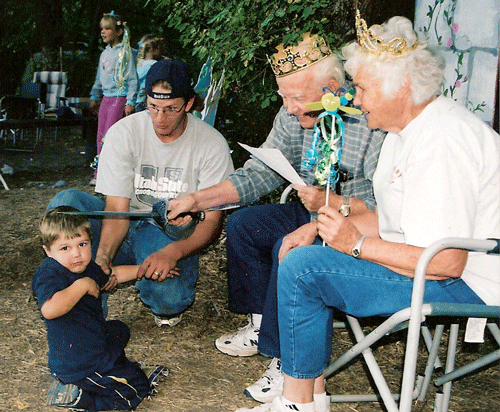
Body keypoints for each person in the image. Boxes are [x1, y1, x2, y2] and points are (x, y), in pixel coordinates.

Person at [233, 11, 500, 412]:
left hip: (468, 284)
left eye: (363, 88)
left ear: (402, 87)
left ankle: (298, 403)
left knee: (304, 271)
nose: (354, 99)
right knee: (303, 256)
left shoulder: (443, 140)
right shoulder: (401, 132)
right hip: (427, 264)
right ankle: (306, 398)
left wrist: (354, 244)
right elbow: (391, 220)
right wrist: (317, 230)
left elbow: (446, 261)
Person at [167, 33, 386, 407]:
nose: (285, 108)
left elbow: (386, 206)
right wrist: (198, 199)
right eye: (282, 96)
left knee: (293, 249)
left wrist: (333, 203)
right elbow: (259, 174)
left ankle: (286, 358)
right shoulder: (291, 116)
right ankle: (260, 325)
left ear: (331, 88)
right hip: (312, 209)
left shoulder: (372, 121)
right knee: (244, 225)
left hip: (355, 221)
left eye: (295, 97)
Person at [47, 58, 234, 328]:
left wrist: (174, 252)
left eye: (171, 109)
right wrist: (103, 257)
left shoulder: (212, 144)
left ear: (189, 104)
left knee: (169, 300)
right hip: (124, 220)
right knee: (64, 206)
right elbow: (116, 208)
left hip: (166, 234)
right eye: (153, 107)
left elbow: (213, 223)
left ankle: (151, 281)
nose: (160, 118)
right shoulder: (123, 132)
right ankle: (80, 293)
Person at [32, 206, 167, 411]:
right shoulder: (49, 274)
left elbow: (111, 276)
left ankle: (97, 380)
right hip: (81, 363)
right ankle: (84, 400)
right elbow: (49, 309)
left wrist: (143, 270)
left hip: (89, 340)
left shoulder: (85, 267)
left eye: (82, 244)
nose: (77, 253)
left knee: (119, 329)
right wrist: (82, 285)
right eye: (65, 248)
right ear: (47, 250)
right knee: (138, 385)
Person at [89, 11, 138, 185]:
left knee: (110, 135)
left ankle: (112, 172)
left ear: (118, 31)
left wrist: (130, 101)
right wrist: (95, 96)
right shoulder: (104, 53)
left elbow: (133, 78)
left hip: (119, 98)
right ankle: (99, 172)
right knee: (100, 134)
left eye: (107, 29)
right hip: (106, 99)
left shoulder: (125, 53)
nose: (103, 32)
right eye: (102, 29)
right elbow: (99, 77)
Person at [136, 35, 166, 112]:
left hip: (135, 100)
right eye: (159, 49)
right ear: (152, 49)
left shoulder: (139, 63)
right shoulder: (154, 65)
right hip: (145, 101)